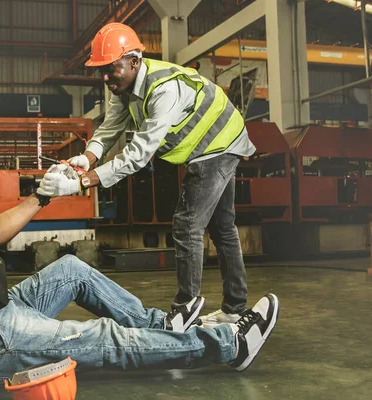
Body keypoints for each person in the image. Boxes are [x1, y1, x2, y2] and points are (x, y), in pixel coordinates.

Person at [0, 128, 278, 388]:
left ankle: (163, 325)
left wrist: (42, 194)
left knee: (71, 269)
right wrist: (30, 320)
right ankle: (230, 345)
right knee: (102, 337)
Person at [59, 23, 256, 329]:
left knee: (187, 223)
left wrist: (85, 181)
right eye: (102, 71)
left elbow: (138, 154)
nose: (106, 78)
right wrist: (87, 158)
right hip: (219, 143)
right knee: (222, 227)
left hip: (217, 145)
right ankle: (234, 308)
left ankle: (186, 308)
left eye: (111, 69)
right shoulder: (124, 89)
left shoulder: (163, 89)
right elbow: (110, 129)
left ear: (134, 61)